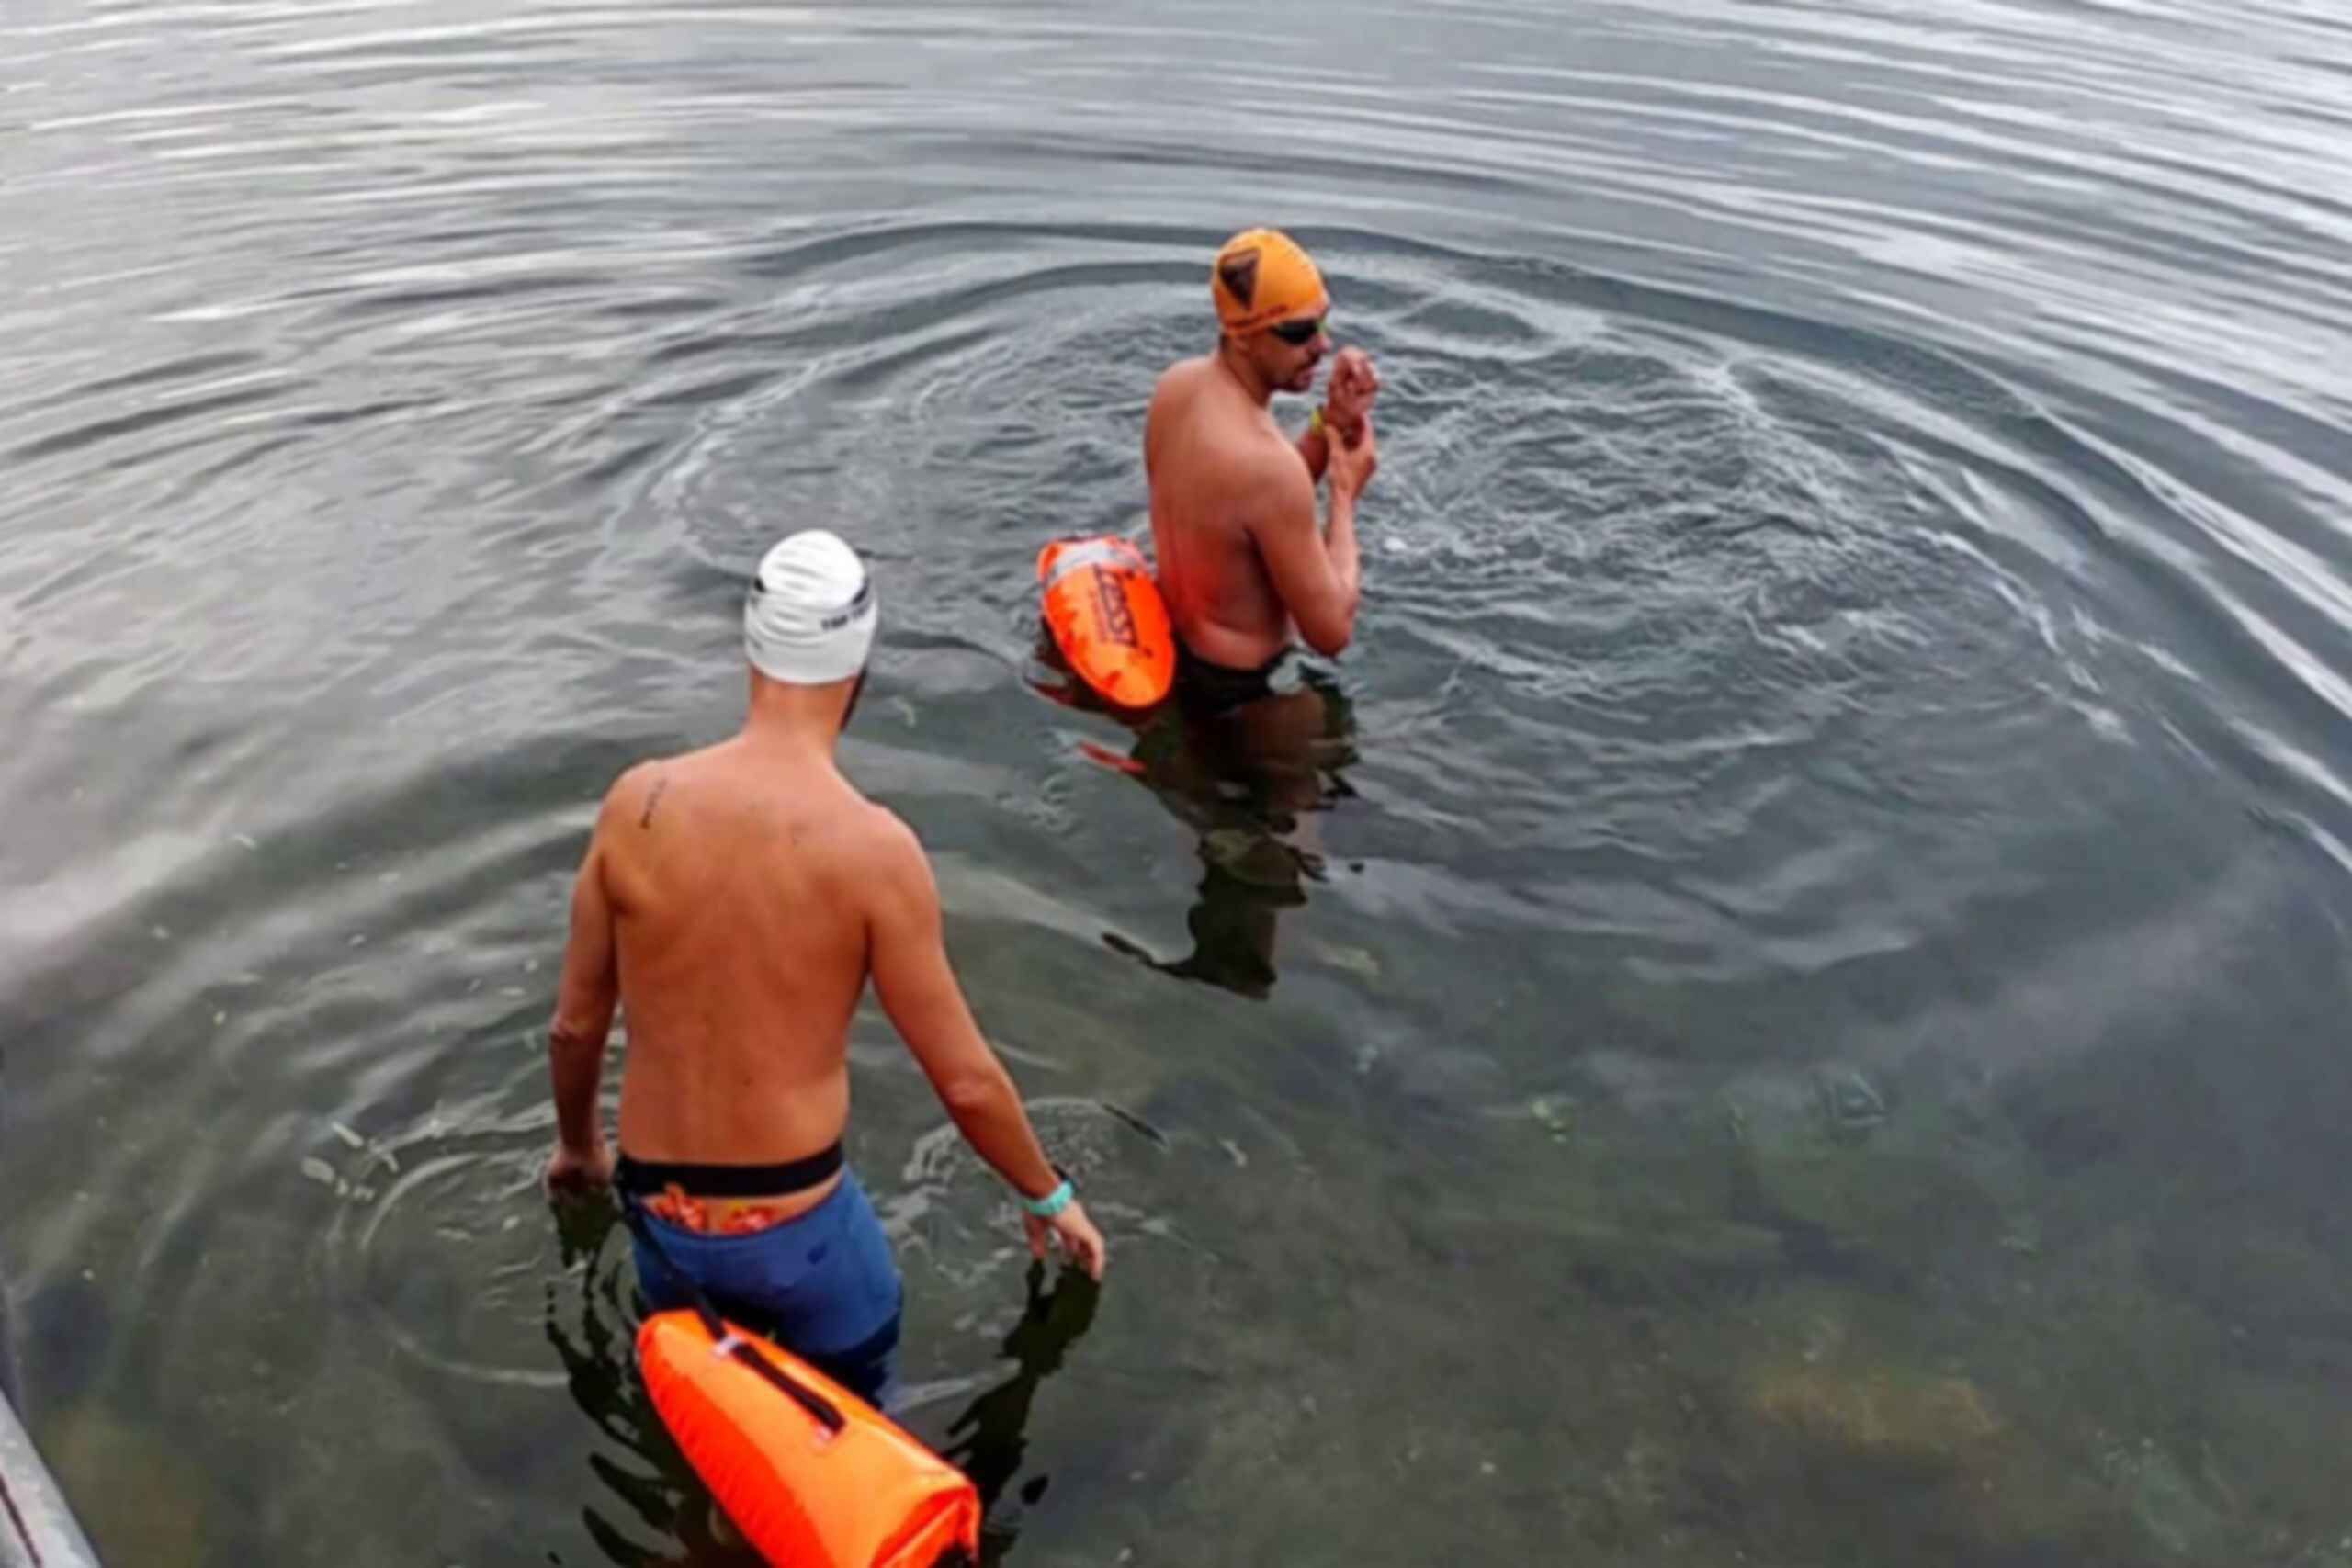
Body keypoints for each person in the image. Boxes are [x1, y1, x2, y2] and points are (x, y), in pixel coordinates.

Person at [542, 529, 1107, 1406]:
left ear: (751, 648)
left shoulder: (636, 806)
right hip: (797, 1236)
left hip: (663, 1224)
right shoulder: (874, 849)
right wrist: (1047, 1194)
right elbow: (963, 1080)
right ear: (860, 670)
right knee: (845, 1449)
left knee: (710, 1430)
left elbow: (575, 1025)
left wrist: (580, 1147)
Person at [1145, 227, 1383, 714]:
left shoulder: (1175, 389)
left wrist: (1329, 425)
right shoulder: (1267, 466)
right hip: (1247, 700)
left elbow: (1249, 505)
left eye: (1322, 323)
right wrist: (1343, 492)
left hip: (1173, 658)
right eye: (1298, 332)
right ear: (1243, 337)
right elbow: (1332, 632)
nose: (1322, 345)